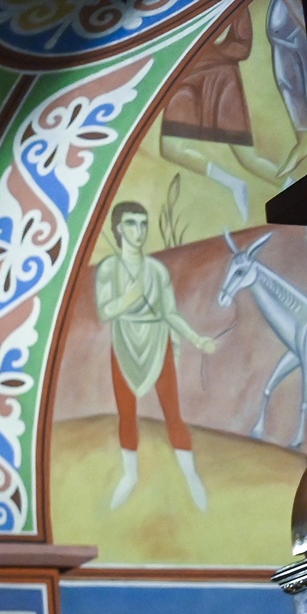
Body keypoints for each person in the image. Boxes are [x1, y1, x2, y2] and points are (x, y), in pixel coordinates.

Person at [94, 199, 217, 511]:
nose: (139, 231)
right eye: (132, 224)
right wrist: (129, 298)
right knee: (127, 414)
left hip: (157, 341)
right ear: (119, 229)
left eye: (143, 224)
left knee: (172, 413)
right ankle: (130, 475)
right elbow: (105, 311)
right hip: (125, 343)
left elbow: (170, 313)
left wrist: (196, 338)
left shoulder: (156, 271)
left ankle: (191, 476)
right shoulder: (109, 268)